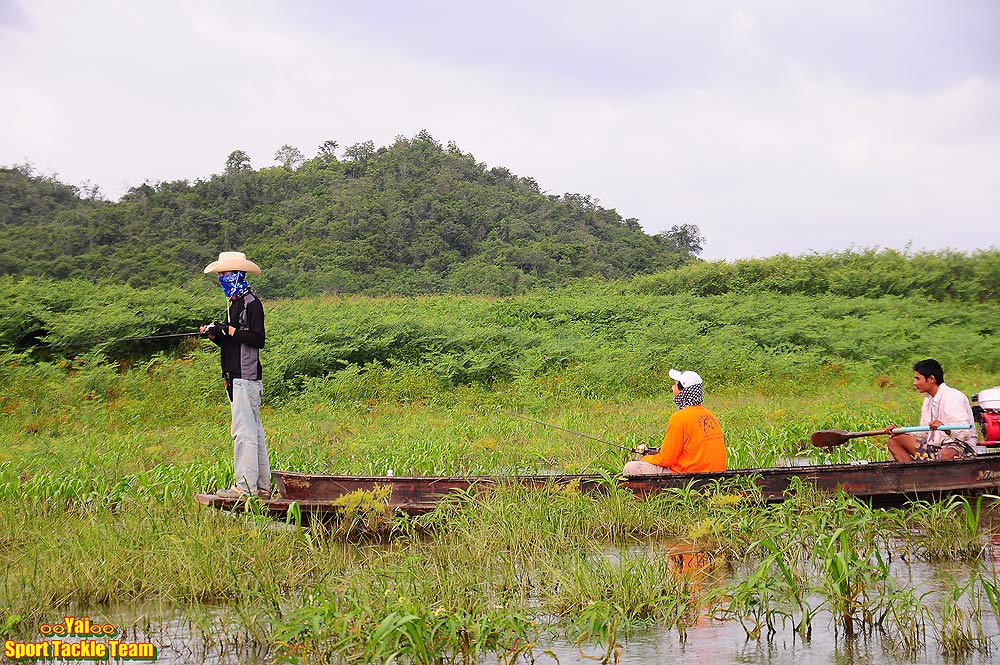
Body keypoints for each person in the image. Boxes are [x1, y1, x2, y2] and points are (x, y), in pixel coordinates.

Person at [200, 251, 271, 499]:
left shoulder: (252, 303)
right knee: (253, 431)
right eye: (220, 275)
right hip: (234, 376)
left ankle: (245, 486)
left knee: (244, 432)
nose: (222, 278)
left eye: (225, 274)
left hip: (246, 376)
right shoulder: (233, 303)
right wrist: (215, 334)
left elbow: (257, 339)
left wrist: (227, 330)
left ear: (238, 275)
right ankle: (262, 486)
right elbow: (233, 342)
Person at [623, 369, 726, 475]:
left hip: (688, 475)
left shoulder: (679, 418)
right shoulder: (710, 416)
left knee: (631, 467)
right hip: (716, 474)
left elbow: (666, 460)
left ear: (683, 391)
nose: (672, 388)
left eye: (675, 384)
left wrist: (645, 459)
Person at [886, 358, 978, 462]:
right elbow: (924, 433)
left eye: (917, 379)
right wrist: (898, 430)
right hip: (935, 448)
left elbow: (964, 434)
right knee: (894, 441)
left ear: (931, 379)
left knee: (946, 455)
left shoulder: (953, 397)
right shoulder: (928, 400)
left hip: (960, 447)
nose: (914, 383)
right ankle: (913, 475)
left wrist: (945, 428)